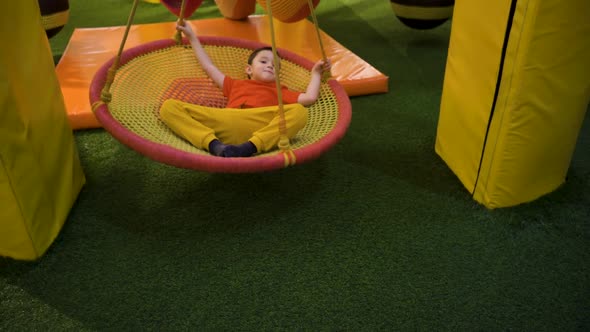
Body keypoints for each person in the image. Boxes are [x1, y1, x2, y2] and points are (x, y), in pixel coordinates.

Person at [159, 21, 332, 158]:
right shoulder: (234, 84)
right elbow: (209, 67)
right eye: (263, 62)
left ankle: (248, 148)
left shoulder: (280, 91)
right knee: (169, 107)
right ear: (248, 69)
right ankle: (213, 145)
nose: (270, 66)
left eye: (275, 66)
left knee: (300, 112)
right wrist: (192, 36)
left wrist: (315, 74)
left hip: (260, 127)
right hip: (226, 121)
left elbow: (309, 98)